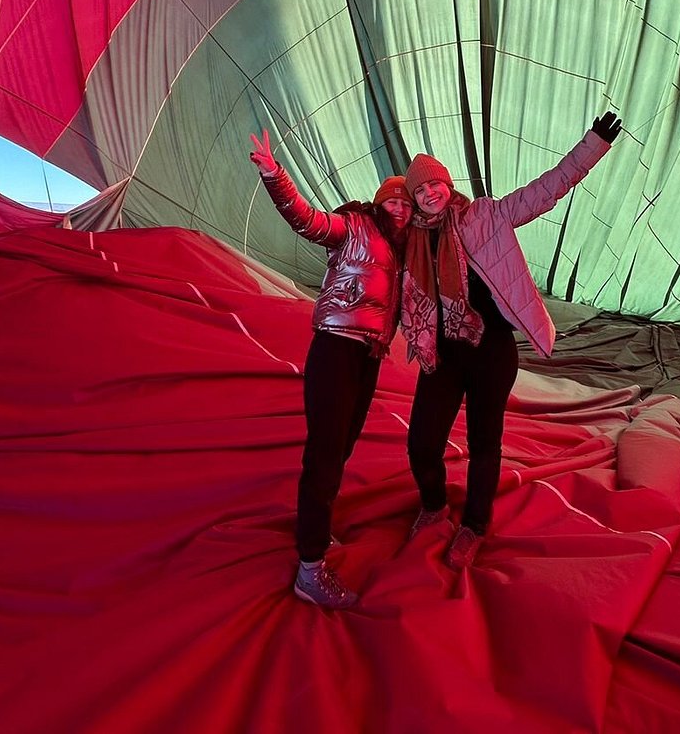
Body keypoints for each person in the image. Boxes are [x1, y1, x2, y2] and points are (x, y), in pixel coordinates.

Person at [400, 111, 624, 569]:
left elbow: (546, 189)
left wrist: (593, 145)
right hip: (443, 353)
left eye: (433, 185)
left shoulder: (486, 215)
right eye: (419, 191)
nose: (428, 195)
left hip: (491, 349)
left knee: (486, 442)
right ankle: (435, 504)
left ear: (447, 183)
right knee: (422, 443)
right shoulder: (412, 240)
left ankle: (475, 525)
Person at [249, 130, 413, 609]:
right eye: (394, 201)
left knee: (341, 447)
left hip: (367, 355)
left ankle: (315, 530)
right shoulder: (355, 226)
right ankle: (310, 566)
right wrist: (274, 174)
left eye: (407, 205)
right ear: (380, 203)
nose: (401, 209)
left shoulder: (401, 249)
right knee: (324, 452)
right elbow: (306, 220)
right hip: (336, 349)